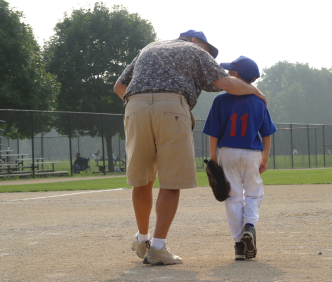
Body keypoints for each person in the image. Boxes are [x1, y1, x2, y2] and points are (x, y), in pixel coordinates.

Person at [114, 30, 267, 266]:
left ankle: (142, 239)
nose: (209, 55)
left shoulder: (149, 47)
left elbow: (119, 87)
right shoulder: (195, 50)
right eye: (208, 49)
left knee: (142, 179)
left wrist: (142, 103)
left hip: (134, 107)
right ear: (195, 41)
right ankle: (157, 248)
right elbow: (230, 85)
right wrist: (256, 91)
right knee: (171, 180)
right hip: (172, 107)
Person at [202, 56, 277, 261]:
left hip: (228, 152)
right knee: (253, 194)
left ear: (235, 75)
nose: (226, 75)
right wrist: (265, 158)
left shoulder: (221, 100)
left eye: (229, 72)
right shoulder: (259, 101)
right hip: (252, 152)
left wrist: (213, 158)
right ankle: (249, 227)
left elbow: (213, 133)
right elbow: (267, 133)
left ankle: (238, 246)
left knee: (232, 196)